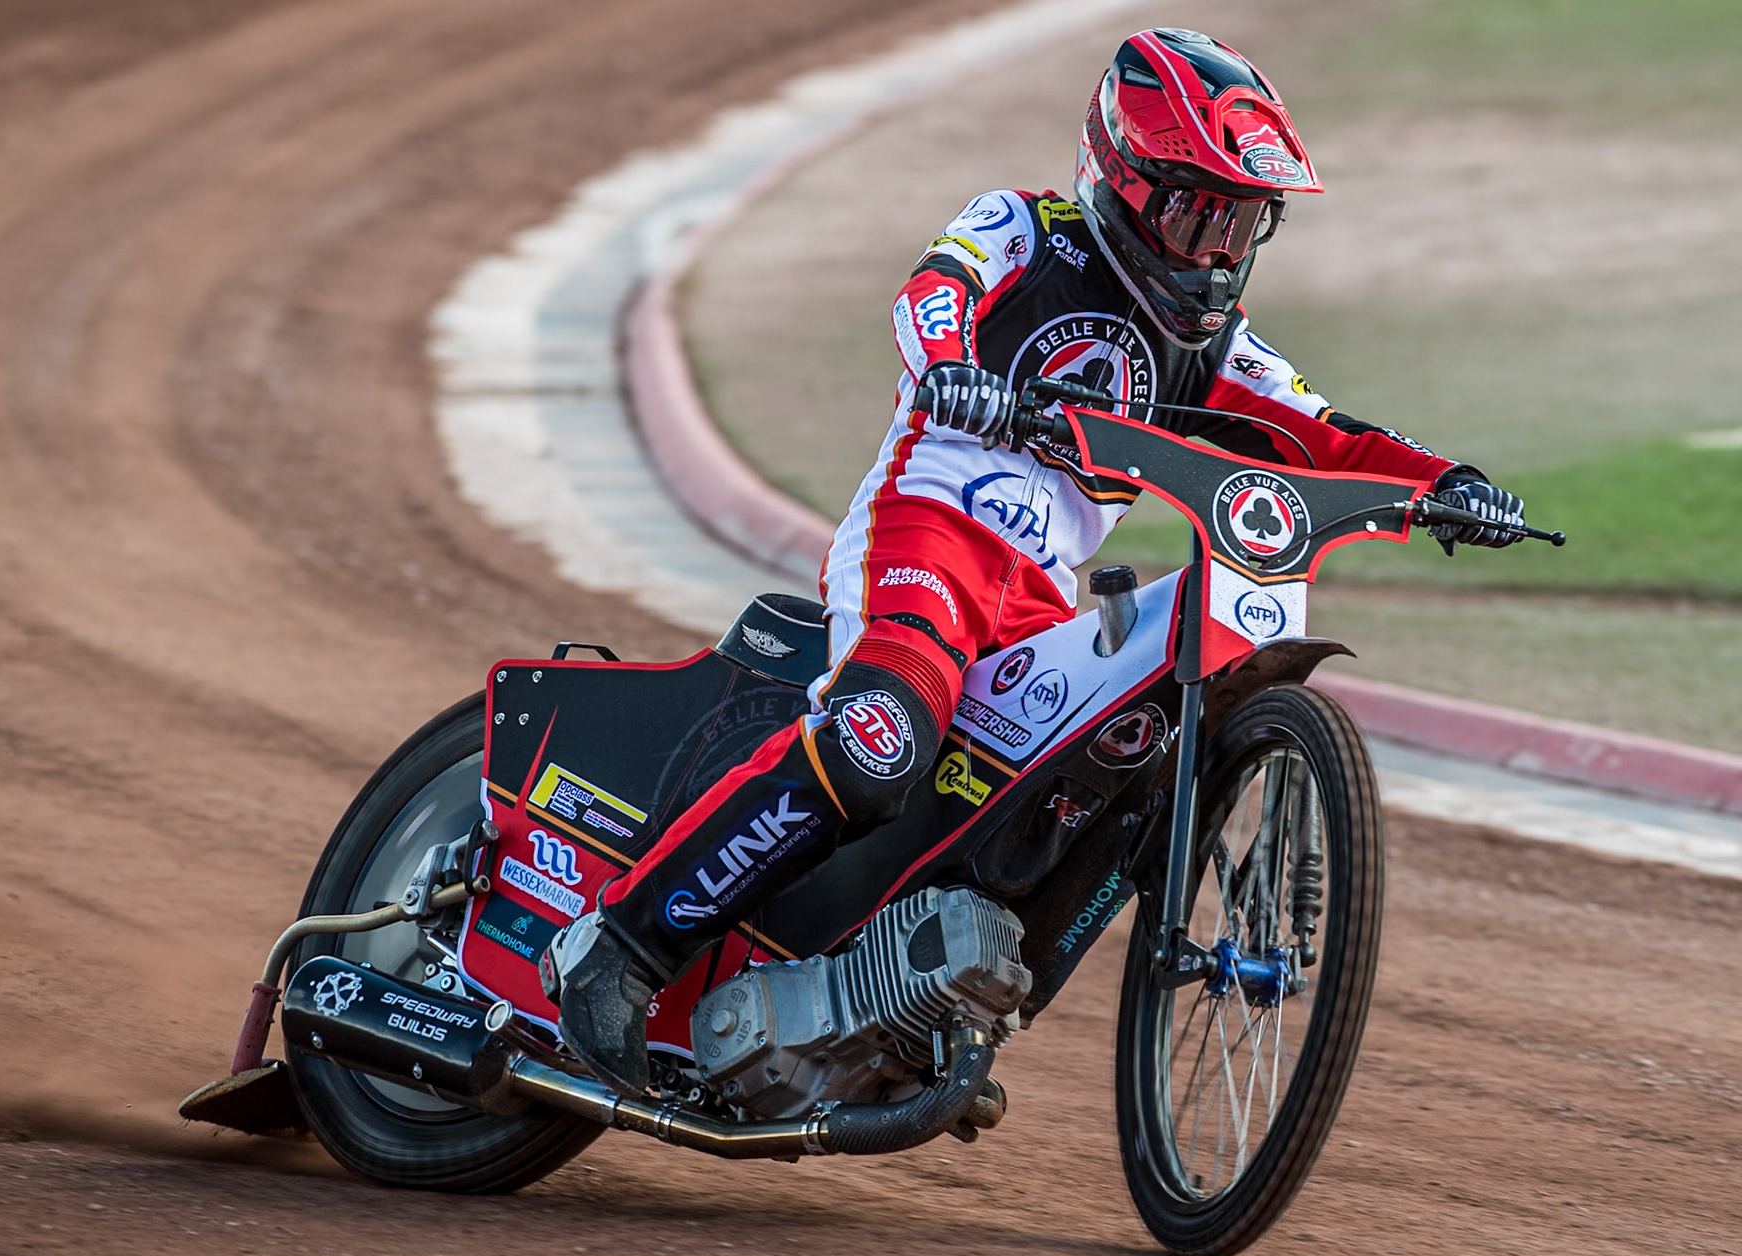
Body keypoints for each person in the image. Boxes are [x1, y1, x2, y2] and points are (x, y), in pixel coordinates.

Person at [542, 27, 1527, 1096]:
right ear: (1122, 179)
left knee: (1101, 771)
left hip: (1033, 602)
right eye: (1198, 213)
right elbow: (930, 295)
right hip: (925, 533)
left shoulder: (1218, 345)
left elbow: (1324, 429)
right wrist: (957, 369)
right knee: (879, 746)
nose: (1215, 252)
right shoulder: (1023, 228)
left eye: (1241, 224)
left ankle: (921, 1003)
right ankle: (620, 950)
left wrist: (1445, 482)